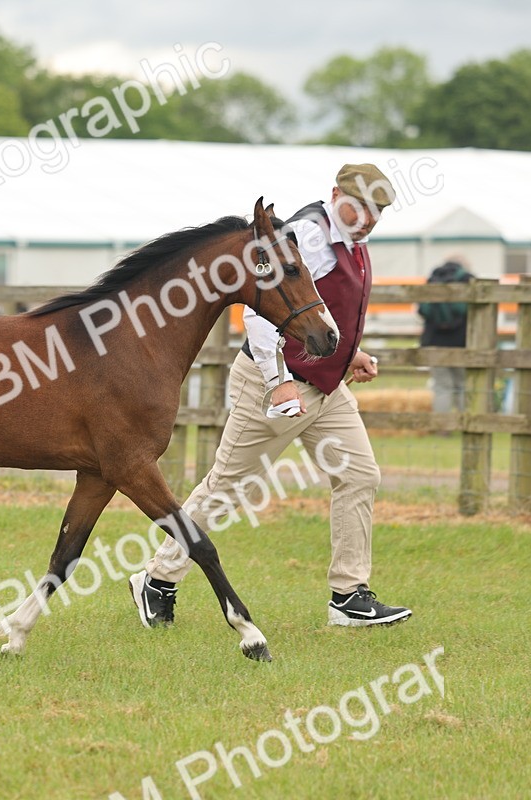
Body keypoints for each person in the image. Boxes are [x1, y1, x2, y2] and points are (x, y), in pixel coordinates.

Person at [130, 164, 413, 630]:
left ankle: (349, 595)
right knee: (226, 488)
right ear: (335, 192)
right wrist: (277, 379)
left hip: (325, 386)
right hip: (274, 383)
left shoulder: (353, 242)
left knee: (360, 475)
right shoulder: (307, 236)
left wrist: (349, 352)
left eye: (378, 210)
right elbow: (262, 312)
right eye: (360, 205)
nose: (368, 218)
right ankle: (157, 580)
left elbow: (317, 309)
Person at [419, 258, 475, 415]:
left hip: (434, 341)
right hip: (462, 340)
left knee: (441, 385)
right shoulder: (467, 279)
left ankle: (442, 425)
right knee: (462, 383)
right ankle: (465, 420)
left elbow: (422, 311)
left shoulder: (433, 279)